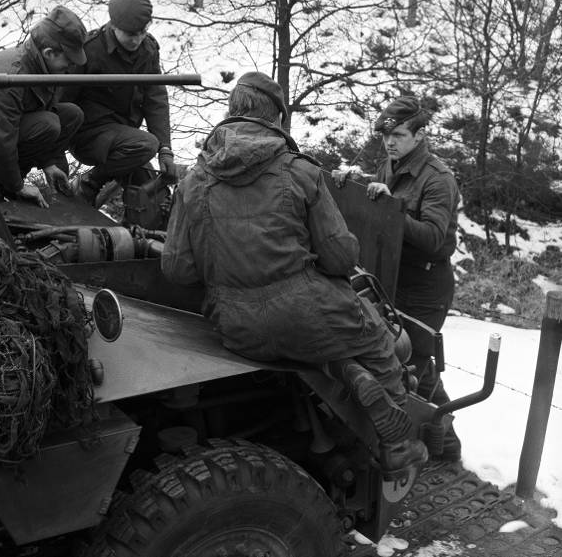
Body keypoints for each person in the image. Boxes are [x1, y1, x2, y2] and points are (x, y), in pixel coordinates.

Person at [161, 72, 428, 476]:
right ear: (277, 120)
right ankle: (399, 445)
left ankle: (344, 369)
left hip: (235, 328)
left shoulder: (194, 180)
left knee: (309, 338)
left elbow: (177, 269)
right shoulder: (300, 172)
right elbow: (340, 258)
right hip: (307, 318)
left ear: (232, 113)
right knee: (379, 340)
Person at [333, 95, 461, 461]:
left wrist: (392, 209)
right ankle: (444, 443)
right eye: (385, 135)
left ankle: (431, 448)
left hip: (425, 286)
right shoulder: (392, 164)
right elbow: (379, 196)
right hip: (392, 279)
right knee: (411, 363)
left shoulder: (438, 178)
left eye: (400, 135)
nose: (390, 142)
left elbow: (436, 240)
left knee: (409, 369)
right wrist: (354, 183)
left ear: (420, 135)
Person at [0, 6, 87, 208]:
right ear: (49, 52)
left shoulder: (44, 67)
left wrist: (48, 163)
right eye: (68, 59)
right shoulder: (13, 75)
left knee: (71, 115)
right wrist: (17, 186)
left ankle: (7, 177)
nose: (71, 66)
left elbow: (39, 110)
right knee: (48, 124)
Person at [67, 0, 177, 206]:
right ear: (113, 26)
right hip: (90, 136)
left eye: (141, 33)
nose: (137, 40)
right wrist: (53, 159)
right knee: (145, 145)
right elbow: (64, 103)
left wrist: (165, 150)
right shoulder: (90, 50)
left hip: (127, 140)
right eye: (130, 34)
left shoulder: (148, 50)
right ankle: (88, 183)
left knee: (151, 200)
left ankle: (139, 233)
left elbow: (155, 99)